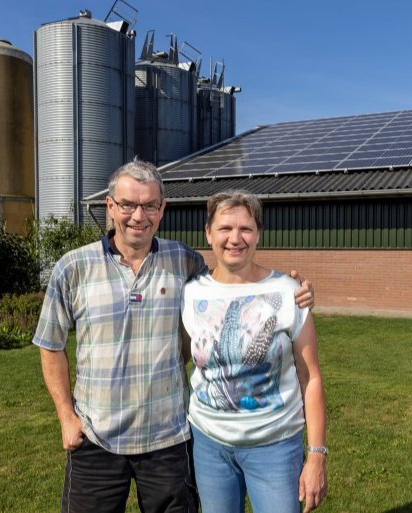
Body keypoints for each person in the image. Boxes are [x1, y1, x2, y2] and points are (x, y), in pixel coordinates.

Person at [33, 159, 314, 513]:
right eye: (128, 205)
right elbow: (50, 345)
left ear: (162, 209)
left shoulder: (182, 261)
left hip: (168, 440)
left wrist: (291, 290)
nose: (139, 216)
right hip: (95, 438)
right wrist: (65, 417)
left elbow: (230, 277)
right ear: (110, 206)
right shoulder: (73, 267)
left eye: (150, 205)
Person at [181, 190, 328, 513]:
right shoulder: (190, 294)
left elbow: (310, 377)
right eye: (225, 228)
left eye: (245, 228)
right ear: (208, 233)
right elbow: (182, 357)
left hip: (274, 447)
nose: (235, 238)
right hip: (209, 445)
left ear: (258, 233)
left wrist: (316, 454)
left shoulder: (289, 293)